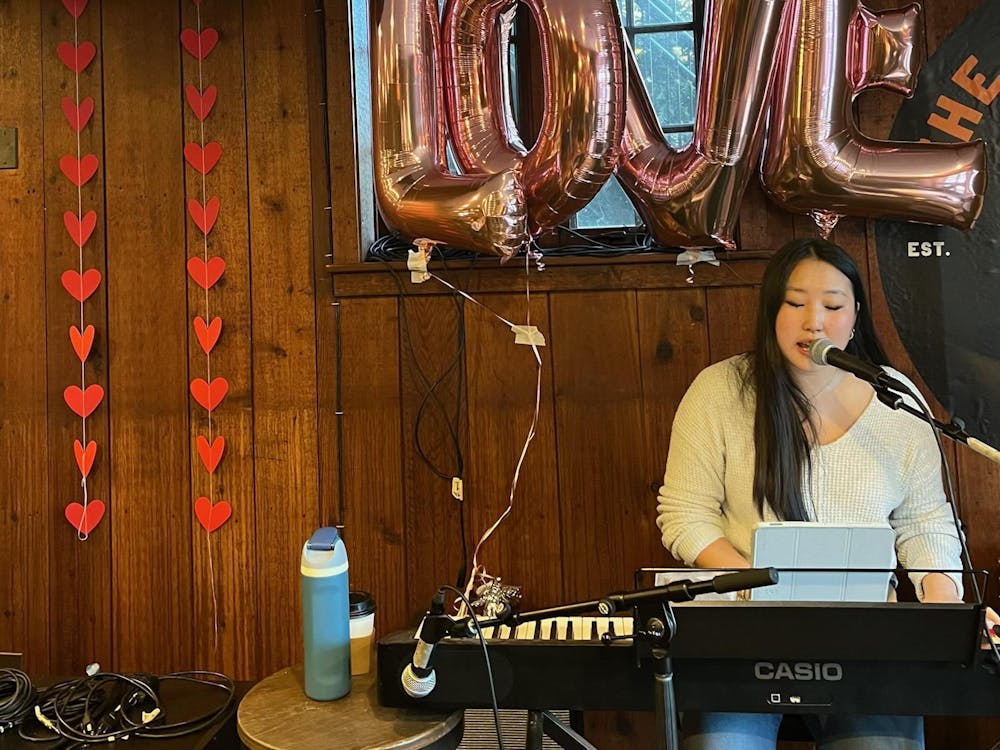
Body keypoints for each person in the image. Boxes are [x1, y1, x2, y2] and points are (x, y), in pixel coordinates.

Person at [655, 238, 990, 750]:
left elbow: (924, 521)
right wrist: (747, 581)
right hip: (745, 633)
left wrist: (945, 611)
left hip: (869, 639)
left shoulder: (895, 399)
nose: (814, 322)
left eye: (833, 306)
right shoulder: (719, 390)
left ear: (855, 316)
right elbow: (685, 514)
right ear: (771, 311)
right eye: (795, 303)